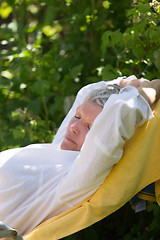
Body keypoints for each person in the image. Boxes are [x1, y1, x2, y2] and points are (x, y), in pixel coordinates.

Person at [0, 76, 160, 235]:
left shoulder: (75, 179)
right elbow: (86, 93)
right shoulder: (60, 151)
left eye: (90, 127)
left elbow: (120, 112)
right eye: (77, 116)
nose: (74, 127)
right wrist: (121, 84)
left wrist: (149, 89)